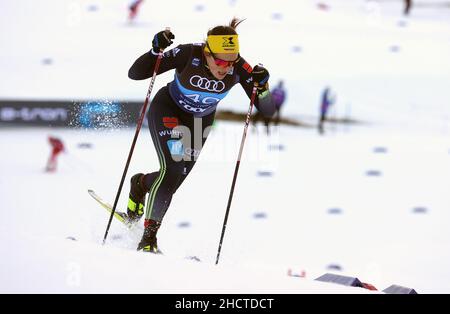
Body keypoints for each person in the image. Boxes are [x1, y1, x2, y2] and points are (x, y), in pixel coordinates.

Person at [126, 18, 275, 253]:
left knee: (175, 178)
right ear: (207, 52)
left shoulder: (240, 68)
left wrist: (263, 88)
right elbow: (135, 74)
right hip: (169, 111)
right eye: (219, 61)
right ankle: (148, 239)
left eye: (231, 62)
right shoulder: (187, 54)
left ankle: (141, 184)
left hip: (198, 123)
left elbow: (267, 111)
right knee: (173, 168)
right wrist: (155, 50)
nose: (225, 68)